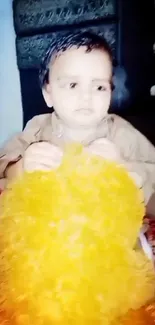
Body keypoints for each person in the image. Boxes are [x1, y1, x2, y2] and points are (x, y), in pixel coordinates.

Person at [0, 31, 155, 213]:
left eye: (99, 87)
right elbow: (4, 168)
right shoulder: (37, 129)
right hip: (50, 224)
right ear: (48, 94)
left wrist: (122, 167)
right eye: (73, 85)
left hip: (104, 226)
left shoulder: (122, 133)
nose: (86, 96)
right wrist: (21, 167)